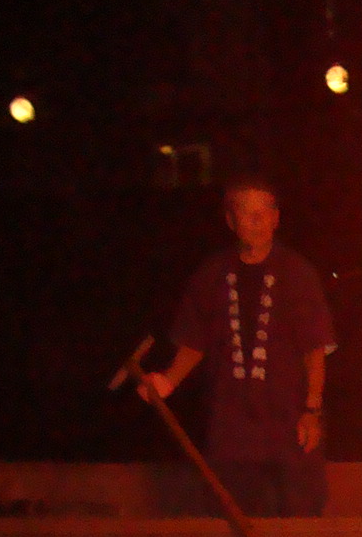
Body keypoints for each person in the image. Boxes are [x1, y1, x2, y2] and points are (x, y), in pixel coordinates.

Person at [142, 176, 337, 517]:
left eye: (265, 211)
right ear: (231, 221)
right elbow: (195, 341)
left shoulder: (298, 274)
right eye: (247, 212)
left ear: (276, 218)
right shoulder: (211, 275)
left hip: (288, 419)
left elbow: (314, 349)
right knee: (231, 509)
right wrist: (167, 381)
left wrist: (312, 411)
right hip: (230, 423)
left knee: (300, 507)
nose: (257, 220)